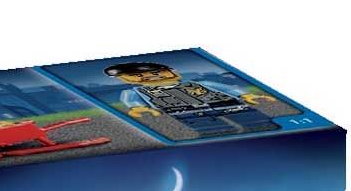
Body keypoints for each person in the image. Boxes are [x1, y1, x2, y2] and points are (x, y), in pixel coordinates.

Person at [104, 61, 278, 137]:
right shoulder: (137, 91)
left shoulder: (199, 83)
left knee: (253, 119)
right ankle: (217, 136)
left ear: (172, 72)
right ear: (125, 79)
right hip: (183, 110)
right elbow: (131, 99)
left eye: (157, 72)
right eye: (138, 75)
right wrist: (138, 107)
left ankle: (263, 129)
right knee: (212, 128)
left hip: (226, 103)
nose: (150, 76)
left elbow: (226, 88)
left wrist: (246, 95)